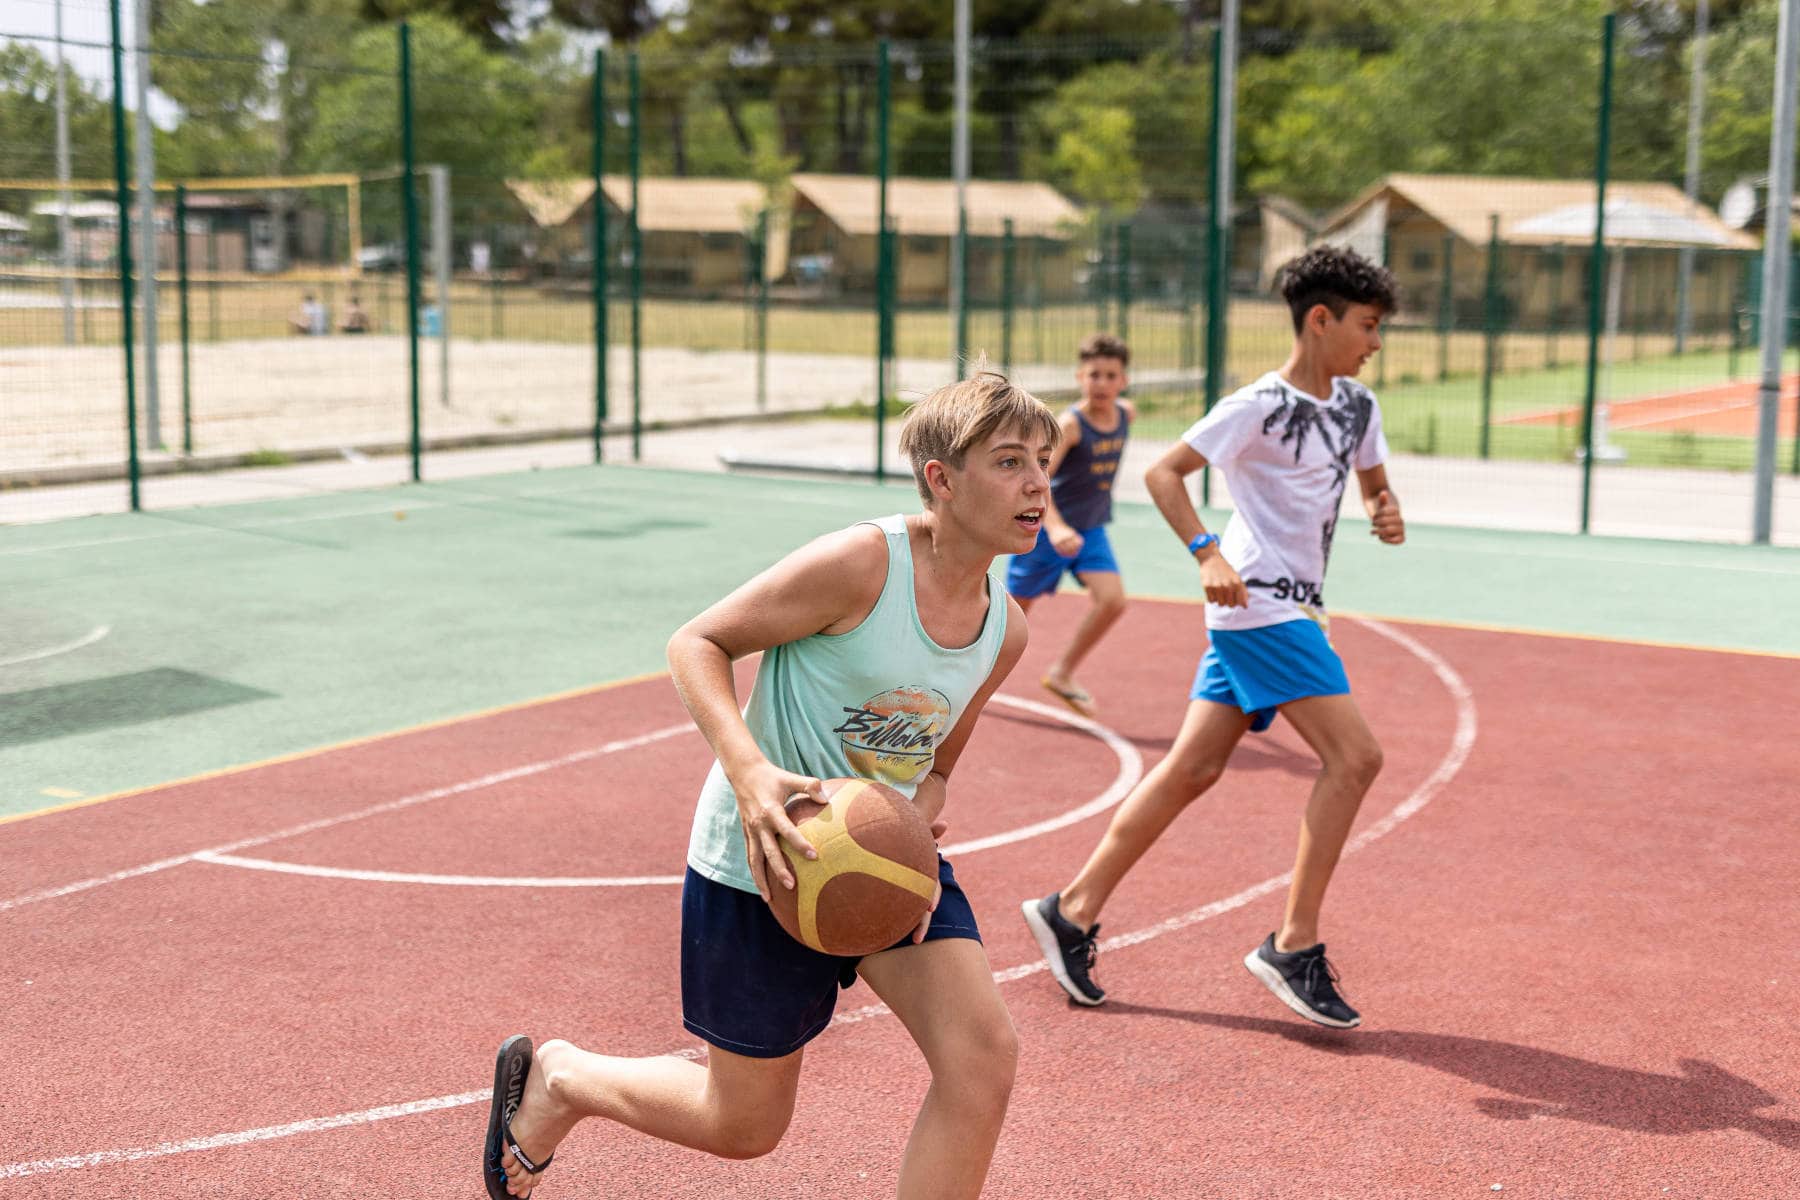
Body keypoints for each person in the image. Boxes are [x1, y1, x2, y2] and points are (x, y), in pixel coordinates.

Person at [484, 368, 1059, 1200]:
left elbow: (936, 764)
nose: (1038, 481)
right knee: (743, 1126)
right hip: (768, 857)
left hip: (881, 860)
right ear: (942, 479)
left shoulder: (1004, 630)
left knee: (982, 1060)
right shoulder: (862, 565)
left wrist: (919, 817)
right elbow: (697, 643)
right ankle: (565, 1080)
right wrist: (750, 774)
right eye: (1010, 461)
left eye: (1044, 459)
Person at [1020, 245, 1405, 1029]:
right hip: (1255, 602)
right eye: (1367, 326)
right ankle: (1293, 946)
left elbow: (1371, 481)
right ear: (1321, 320)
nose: (1375, 342)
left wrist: (1385, 508)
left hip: (1295, 603)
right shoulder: (1256, 404)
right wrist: (1207, 552)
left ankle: (1071, 909)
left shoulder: (1359, 408)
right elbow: (1166, 474)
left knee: (1192, 769)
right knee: (1356, 757)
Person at [1004, 333, 1133, 718]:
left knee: (1112, 601)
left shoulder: (1127, 414)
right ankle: (958, 678)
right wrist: (1054, 527)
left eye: (1111, 375)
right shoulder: (1071, 425)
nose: (1102, 384)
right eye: (1094, 375)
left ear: (1123, 381)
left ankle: (1061, 672)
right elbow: (1041, 480)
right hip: (1047, 533)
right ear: (1081, 377)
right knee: (1011, 619)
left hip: (1090, 529)